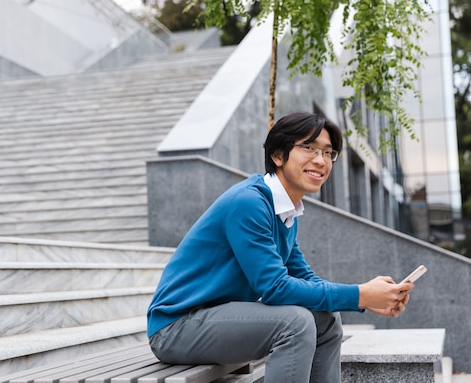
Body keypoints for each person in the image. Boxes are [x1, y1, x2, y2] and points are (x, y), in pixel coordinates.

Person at [146, 111, 413, 383]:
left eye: (328, 152)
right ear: (277, 155)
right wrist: (360, 295)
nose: (320, 160)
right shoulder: (249, 203)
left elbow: (303, 276)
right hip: (176, 327)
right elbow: (274, 288)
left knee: (327, 320)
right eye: (308, 148)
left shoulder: (285, 209)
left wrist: (367, 298)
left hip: (214, 320)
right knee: (294, 323)